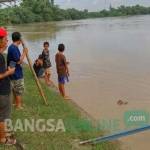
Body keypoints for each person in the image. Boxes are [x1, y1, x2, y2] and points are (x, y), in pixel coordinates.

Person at [0, 27, 16, 145]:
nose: (7, 41)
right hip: (2, 91)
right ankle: (3, 139)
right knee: (3, 116)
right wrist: (9, 72)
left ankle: (3, 134)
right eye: (5, 39)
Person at [7, 32, 27, 110]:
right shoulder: (13, 48)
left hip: (13, 71)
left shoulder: (12, 47)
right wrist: (24, 53)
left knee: (15, 88)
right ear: (19, 39)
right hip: (16, 73)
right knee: (18, 89)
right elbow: (18, 61)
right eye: (21, 38)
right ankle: (18, 105)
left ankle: (15, 103)